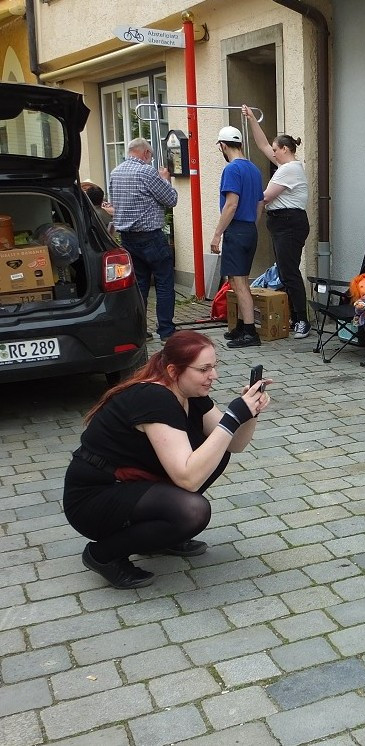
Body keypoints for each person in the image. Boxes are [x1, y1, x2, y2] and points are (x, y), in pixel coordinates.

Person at [62, 331, 271, 589]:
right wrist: (232, 417)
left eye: (214, 367)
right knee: (192, 512)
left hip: (128, 486)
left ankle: (162, 537)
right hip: (94, 499)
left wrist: (250, 413)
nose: (213, 376)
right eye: (204, 369)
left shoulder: (190, 393)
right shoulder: (154, 398)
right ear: (173, 371)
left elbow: (234, 443)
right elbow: (188, 478)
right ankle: (102, 555)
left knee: (217, 452)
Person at [242, 105, 312, 339]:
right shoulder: (287, 166)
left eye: (275, 149)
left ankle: (302, 319)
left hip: (289, 223)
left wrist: (245, 193)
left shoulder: (288, 170)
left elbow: (265, 197)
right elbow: (262, 144)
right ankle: (295, 316)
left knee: (289, 271)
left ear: (284, 149)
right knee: (285, 270)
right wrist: (252, 118)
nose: (271, 152)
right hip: (283, 223)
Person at [109, 138, 178, 341]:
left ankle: (139, 330)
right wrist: (165, 178)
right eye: (151, 157)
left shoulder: (115, 173)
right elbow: (171, 199)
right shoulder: (146, 172)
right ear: (146, 153)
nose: (151, 161)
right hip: (151, 237)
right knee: (164, 282)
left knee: (138, 286)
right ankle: (166, 330)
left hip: (127, 238)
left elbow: (115, 204)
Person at [212, 125, 265, 349]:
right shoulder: (254, 169)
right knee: (235, 279)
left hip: (236, 229)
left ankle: (250, 332)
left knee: (240, 282)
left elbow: (231, 204)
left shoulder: (232, 169)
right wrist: (252, 224)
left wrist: (217, 235)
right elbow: (260, 202)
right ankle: (243, 326)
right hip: (249, 229)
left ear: (223, 146)